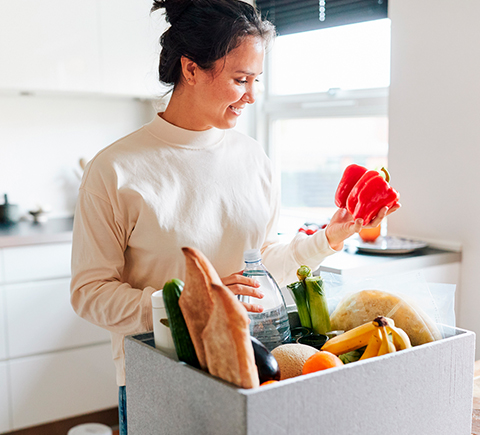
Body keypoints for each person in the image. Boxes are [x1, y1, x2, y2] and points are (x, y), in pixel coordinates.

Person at [70, 0, 399, 433]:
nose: (252, 95)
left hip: (251, 375)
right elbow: (89, 293)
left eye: (256, 79)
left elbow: (259, 266)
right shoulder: (115, 169)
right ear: (191, 69)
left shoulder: (254, 159)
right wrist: (192, 304)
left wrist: (328, 238)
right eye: (240, 79)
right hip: (162, 380)